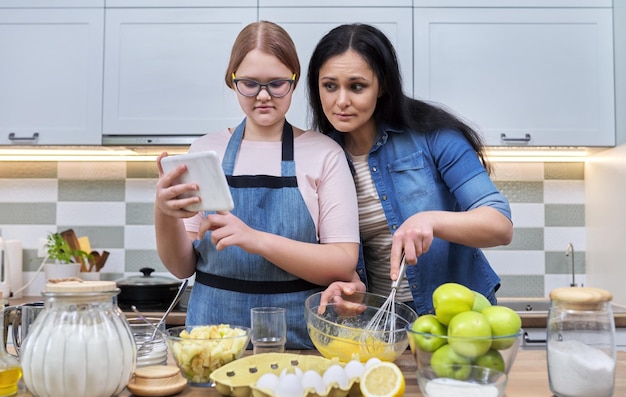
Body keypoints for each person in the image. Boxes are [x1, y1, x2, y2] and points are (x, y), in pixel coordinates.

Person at [154, 21, 360, 349]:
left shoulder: (324, 154)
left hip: (298, 343)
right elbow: (182, 266)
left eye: (277, 83)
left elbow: (341, 261)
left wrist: (255, 240)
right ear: (232, 81)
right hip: (211, 344)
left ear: (294, 81)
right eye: (249, 84)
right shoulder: (205, 153)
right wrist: (163, 212)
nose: (263, 96)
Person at [307, 23, 513, 316]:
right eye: (330, 86)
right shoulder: (320, 157)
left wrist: (430, 220)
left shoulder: (433, 136)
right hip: (382, 321)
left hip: (459, 318)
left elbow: (500, 226)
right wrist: (349, 285)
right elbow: (332, 253)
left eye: (357, 86)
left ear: (383, 85)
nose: (341, 101)